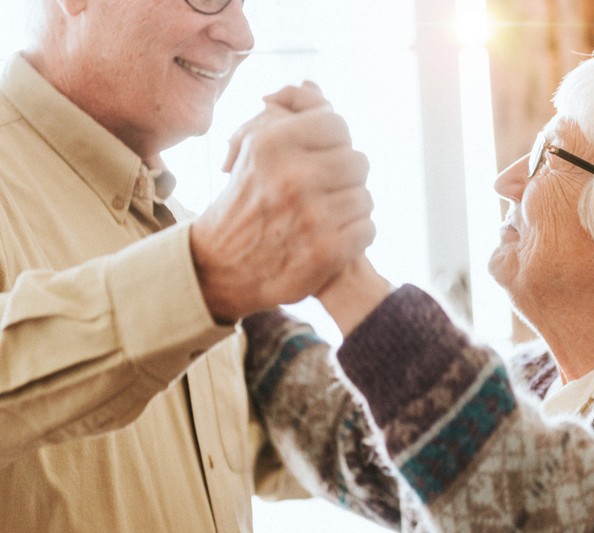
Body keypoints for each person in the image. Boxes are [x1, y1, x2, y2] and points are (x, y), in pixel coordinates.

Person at [243, 45, 594, 532]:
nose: (506, 180)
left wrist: (346, 278)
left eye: (545, 157)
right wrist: (220, 255)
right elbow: (352, 438)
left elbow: (579, 516)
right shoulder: (538, 381)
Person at [0, 0, 378, 531]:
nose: (242, 35)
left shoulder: (188, 229)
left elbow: (349, 449)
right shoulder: (204, 257)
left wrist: (348, 275)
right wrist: (205, 274)